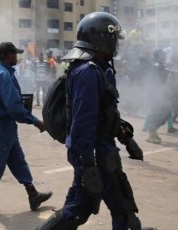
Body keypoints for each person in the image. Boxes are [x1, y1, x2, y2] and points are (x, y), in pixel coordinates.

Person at [36, 12, 154, 230]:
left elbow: (104, 111)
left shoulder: (100, 67)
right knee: (82, 209)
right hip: (94, 151)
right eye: (114, 38)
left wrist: (125, 136)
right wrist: (88, 164)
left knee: (109, 206)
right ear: (101, 38)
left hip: (99, 148)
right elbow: (83, 122)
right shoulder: (88, 71)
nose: (116, 44)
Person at [0, 42, 52, 214]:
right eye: (15, 54)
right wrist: (35, 121)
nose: (17, 57)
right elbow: (14, 108)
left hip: (1, 122)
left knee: (17, 159)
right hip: (3, 123)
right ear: (7, 56)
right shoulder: (5, 76)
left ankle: (32, 194)